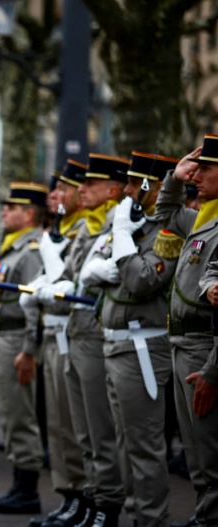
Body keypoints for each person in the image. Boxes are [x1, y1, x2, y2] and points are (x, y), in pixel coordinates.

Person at [83, 152, 180, 527]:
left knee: (144, 447)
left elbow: (140, 280)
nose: (125, 190)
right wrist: (122, 246)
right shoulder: (135, 224)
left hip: (141, 347)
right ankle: (134, 514)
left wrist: (122, 236)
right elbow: (93, 271)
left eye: (133, 183)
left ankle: (151, 519)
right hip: (115, 342)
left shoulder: (165, 232)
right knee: (124, 442)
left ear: (152, 187)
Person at [36, 153, 130, 526]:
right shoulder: (90, 226)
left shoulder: (113, 224)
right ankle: (88, 498)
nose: (80, 191)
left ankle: (105, 504)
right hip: (75, 332)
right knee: (80, 430)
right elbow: (73, 277)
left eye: (88, 185)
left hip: (92, 332)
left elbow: (90, 278)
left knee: (98, 430)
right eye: (82, 183)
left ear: (112, 189)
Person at [21, 159, 90, 527]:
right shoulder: (61, 227)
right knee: (58, 427)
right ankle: (68, 495)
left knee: (74, 426)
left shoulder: (85, 228)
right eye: (55, 189)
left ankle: (85, 497)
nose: (55, 196)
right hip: (53, 330)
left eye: (63, 189)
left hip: (72, 331)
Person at [154, 135, 218, 527]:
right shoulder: (204, 220)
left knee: (210, 451)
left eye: (206, 170)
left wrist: (213, 371)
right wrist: (174, 179)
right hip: (182, 344)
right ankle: (203, 515)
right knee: (196, 451)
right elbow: (165, 213)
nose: (198, 175)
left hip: (204, 346)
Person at [0, 182, 47, 515]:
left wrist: (29, 348)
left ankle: (27, 489)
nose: (4, 211)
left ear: (30, 214)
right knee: (10, 414)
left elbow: (35, 303)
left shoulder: (31, 250)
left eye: (12, 207)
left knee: (21, 415)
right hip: (1, 337)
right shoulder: (12, 247)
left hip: (15, 338)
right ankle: (18, 484)